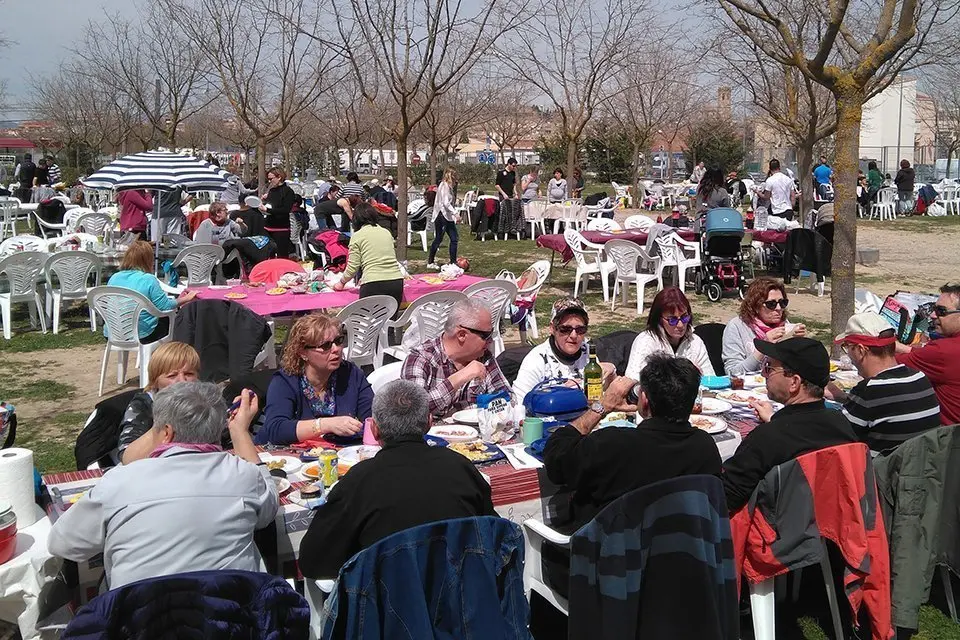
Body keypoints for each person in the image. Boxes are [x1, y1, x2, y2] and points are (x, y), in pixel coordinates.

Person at [48, 381, 277, 589]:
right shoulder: (244, 475)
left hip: (142, 621)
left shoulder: (120, 482)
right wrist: (239, 430)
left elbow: (63, 543)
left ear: (166, 432)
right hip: (232, 618)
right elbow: (268, 507)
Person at [298, 380, 496, 578]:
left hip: (388, 603)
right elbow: (493, 535)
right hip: (460, 597)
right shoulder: (460, 467)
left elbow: (312, 562)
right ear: (429, 422)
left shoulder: (360, 481)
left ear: (374, 430)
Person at [546, 355, 722, 532]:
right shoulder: (705, 447)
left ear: (644, 400)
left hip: (608, 553)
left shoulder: (611, 445)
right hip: (677, 551)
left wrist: (602, 406)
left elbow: (556, 462)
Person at [722, 337, 858, 512]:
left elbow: (726, 499)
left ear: (794, 382)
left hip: (776, 530)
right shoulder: (842, 424)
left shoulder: (767, 437)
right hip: (829, 525)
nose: (764, 374)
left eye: (769, 368)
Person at [827, 312, 940, 454]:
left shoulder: (869, 391)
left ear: (861, 350)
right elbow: (891, 407)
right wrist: (842, 396)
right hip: (920, 469)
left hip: (882, 473)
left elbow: (837, 438)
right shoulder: (919, 377)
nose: (848, 354)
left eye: (848, 347)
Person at [260, 313, 372, 445]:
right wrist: (325, 425)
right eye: (326, 346)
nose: (336, 349)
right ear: (303, 352)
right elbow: (276, 430)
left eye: (338, 341)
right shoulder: (285, 381)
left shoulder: (351, 374)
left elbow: (372, 417)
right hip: (289, 458)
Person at [401, 299, 510, 419]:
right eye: (485, 336)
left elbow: (508, 398)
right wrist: (459, 378)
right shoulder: (421, 359)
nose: (490, 341)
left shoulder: (483, 357)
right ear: (462, 335)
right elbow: (413, 411)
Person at [116, 342, 201, 465]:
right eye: (172, 375)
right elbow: (126, 454)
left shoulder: (205, 403)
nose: (182, 381)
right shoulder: (143, 405)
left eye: (189, 374)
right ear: (155, 381)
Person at [106, 241, 197, 343]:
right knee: (173, 319)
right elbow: (165, 306)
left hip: (113, 332)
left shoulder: (114, 278)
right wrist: (187, 298)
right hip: (143, 334)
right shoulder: (148, 279)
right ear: (148, 260)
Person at [895, 284, 960, 425]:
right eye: (933, 308)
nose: (932, 315)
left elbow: (887, 363)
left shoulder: (943, 350)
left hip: (948, 439)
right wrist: (902, 348)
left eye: (941, 311)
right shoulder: (944, 350)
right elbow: (929, 357)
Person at [512, 298, 591, 406]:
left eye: (580, 330)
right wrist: (556, 394)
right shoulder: (536, 360)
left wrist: (611, 374)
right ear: (552, 328)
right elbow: (517, 405)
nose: (574, 335)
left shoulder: (589, 352)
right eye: (565, 329)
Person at [625, 287, 715, 381]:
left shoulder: (695, 342)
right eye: (672, 320)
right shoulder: (645, 342)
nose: (680, 325)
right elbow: (633, 383)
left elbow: (711, 380)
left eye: (684, 318)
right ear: (659, 319)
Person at [722, 277, 806, 375]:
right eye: (771, 304)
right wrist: (764, 347)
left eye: (783, 303)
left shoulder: (784, 325)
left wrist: (799, 345)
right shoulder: (737, 326)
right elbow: (732, 372)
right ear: (755, 306)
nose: (779, 308)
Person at [332, 202, 404, 308]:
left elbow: (353, 267)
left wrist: (341, 282)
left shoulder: (358, 236)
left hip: (373, 283)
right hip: (396, 281)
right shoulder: (386, 232)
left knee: (368, 320)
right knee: (390, 320)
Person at [426, 168, 459, 270]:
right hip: (441, 216)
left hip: (447, 216)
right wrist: (455, 213)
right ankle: (430, 261)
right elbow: (445, 202)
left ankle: (453, 262)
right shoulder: (444, 186)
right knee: (439, 238)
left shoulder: (449, 187)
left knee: (454, 238)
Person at [260, 167, 296, 257]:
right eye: (268, 179)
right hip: (268, 227)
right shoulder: (271, 191)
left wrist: (267, 210)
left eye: (271, 179)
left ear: (279, 177)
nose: (269, 181)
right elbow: (271, 205)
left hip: (281, 228)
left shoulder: (288, 191)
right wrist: (264, 202)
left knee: (282, 254)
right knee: (268, 254)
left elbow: (285, 210)